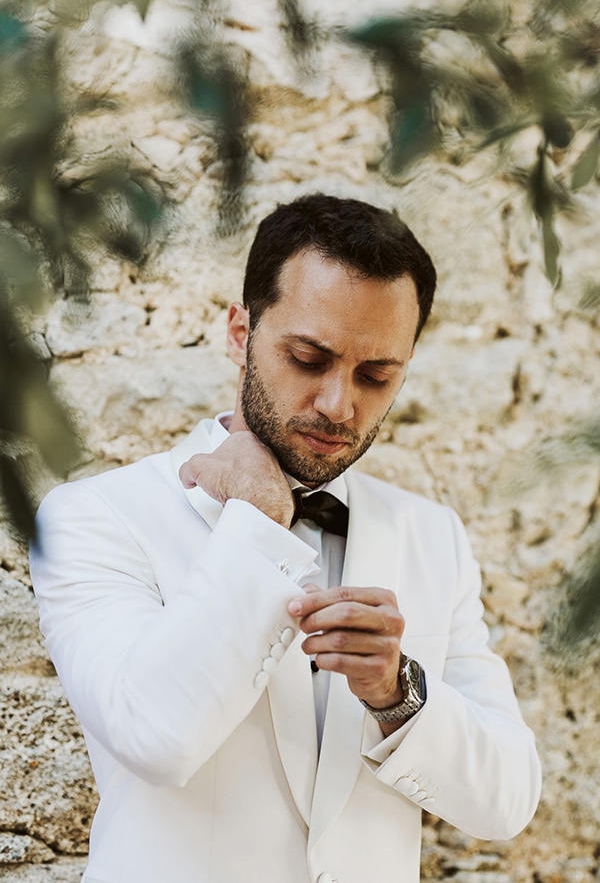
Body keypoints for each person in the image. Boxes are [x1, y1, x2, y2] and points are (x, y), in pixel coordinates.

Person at [30, 194, 541, 883]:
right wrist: (257, 527)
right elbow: (155, 737)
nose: (339, 404)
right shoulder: (95, 516)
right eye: (308, 358)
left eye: (376, 375)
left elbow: (507, 802)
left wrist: (398, 693)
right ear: (241, 333)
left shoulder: (431, 536)